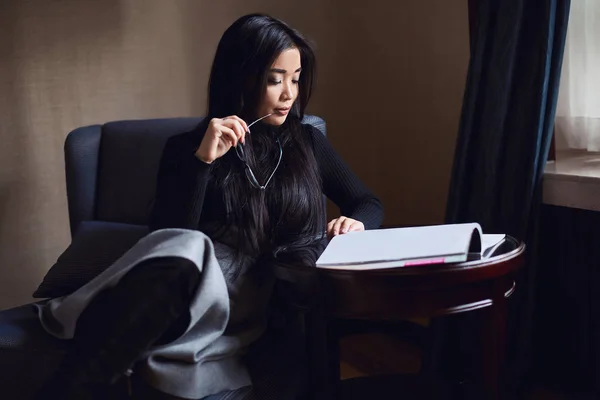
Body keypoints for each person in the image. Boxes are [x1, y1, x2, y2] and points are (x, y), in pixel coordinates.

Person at [36, 13, 383, 400]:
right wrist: (202, 163)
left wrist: (356, 223)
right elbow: (167, 236)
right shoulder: (187, 148)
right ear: (241, 77)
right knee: (188, 246)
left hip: (253, 301)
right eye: (275, 79)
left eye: (296, 78)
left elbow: (367, 201)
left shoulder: (308, 142)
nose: (289, 94)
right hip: (189, 292)